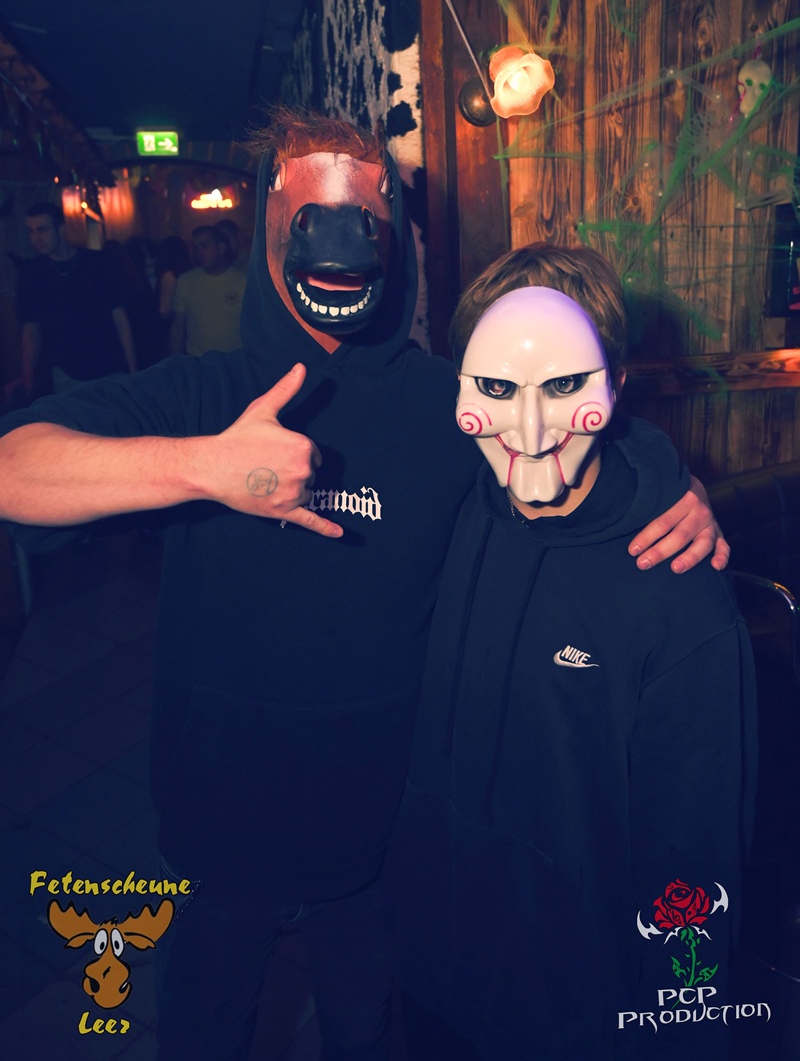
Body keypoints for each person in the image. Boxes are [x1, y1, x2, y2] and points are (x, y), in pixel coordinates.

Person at [0, 112, 726, 1061]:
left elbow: (566, 432)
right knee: (203, 1029)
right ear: (272, 228)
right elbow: (15, 469)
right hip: (221, 820)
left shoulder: (444, 402)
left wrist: (673, 479)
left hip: (382, 829)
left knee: (366, 1031)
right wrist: (201, 467)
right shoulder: (205, 393)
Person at [384, 244, 756, 1061]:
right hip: (435, 973)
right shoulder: (452, 503)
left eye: (562, 386)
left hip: (578, 1012)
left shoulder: (677, 594)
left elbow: (696, 862)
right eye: (497, 388)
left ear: (615, 384)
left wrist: (681, 1025)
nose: (528, 429)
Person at [8, 201, 136, 397]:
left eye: (42, 230)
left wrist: (134, 372)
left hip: (110, 366)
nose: (36, 238)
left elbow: (121, 319)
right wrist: (27, 373)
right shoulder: (32, 273)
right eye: (31, 231)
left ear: (60, 229)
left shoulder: (98, 263)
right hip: (66, 373)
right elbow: (31, 329)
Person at [169, 222, 247, 355]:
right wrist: (176, 359)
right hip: (199, 360)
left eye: (205, 246)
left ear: (221, 248)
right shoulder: (186, 281)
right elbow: (178, 327)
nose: (199, 253)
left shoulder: (243, 281)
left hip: (234, 361)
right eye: (196, 247)